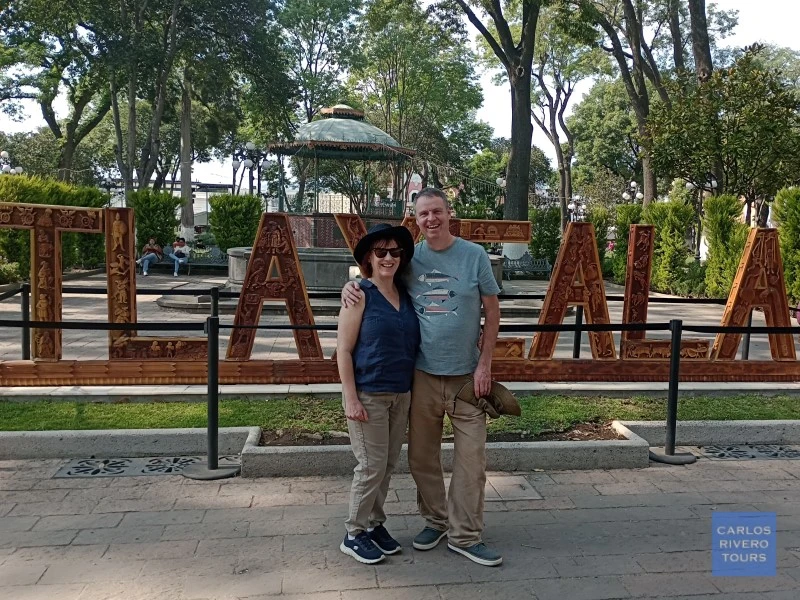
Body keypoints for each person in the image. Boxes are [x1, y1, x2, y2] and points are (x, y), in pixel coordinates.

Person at [342, 188, 502, 566]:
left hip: (466, 377)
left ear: (449, 214)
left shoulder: (474, 256)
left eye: (437, 212)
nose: (431, 219)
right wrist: (351, 284)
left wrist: (486, 364)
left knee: (471, 459)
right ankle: (436, 520)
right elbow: (377, 281)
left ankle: (465, 535)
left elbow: (492, 312)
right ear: (415, 219)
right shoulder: (410, 259)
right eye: (423, 214)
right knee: (421, 459)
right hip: (422, 377)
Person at [337, 223, 420, 565]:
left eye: (395, 252)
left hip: (400, 393)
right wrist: (351, 397)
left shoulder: (406, 293)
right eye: (381, 251)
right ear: (369, 258)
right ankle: (353, 532)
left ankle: (374, 523)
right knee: (370, 467)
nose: (388, 257)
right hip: (368, 393)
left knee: (386, 466)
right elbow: (343, 350)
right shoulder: (359, 294)